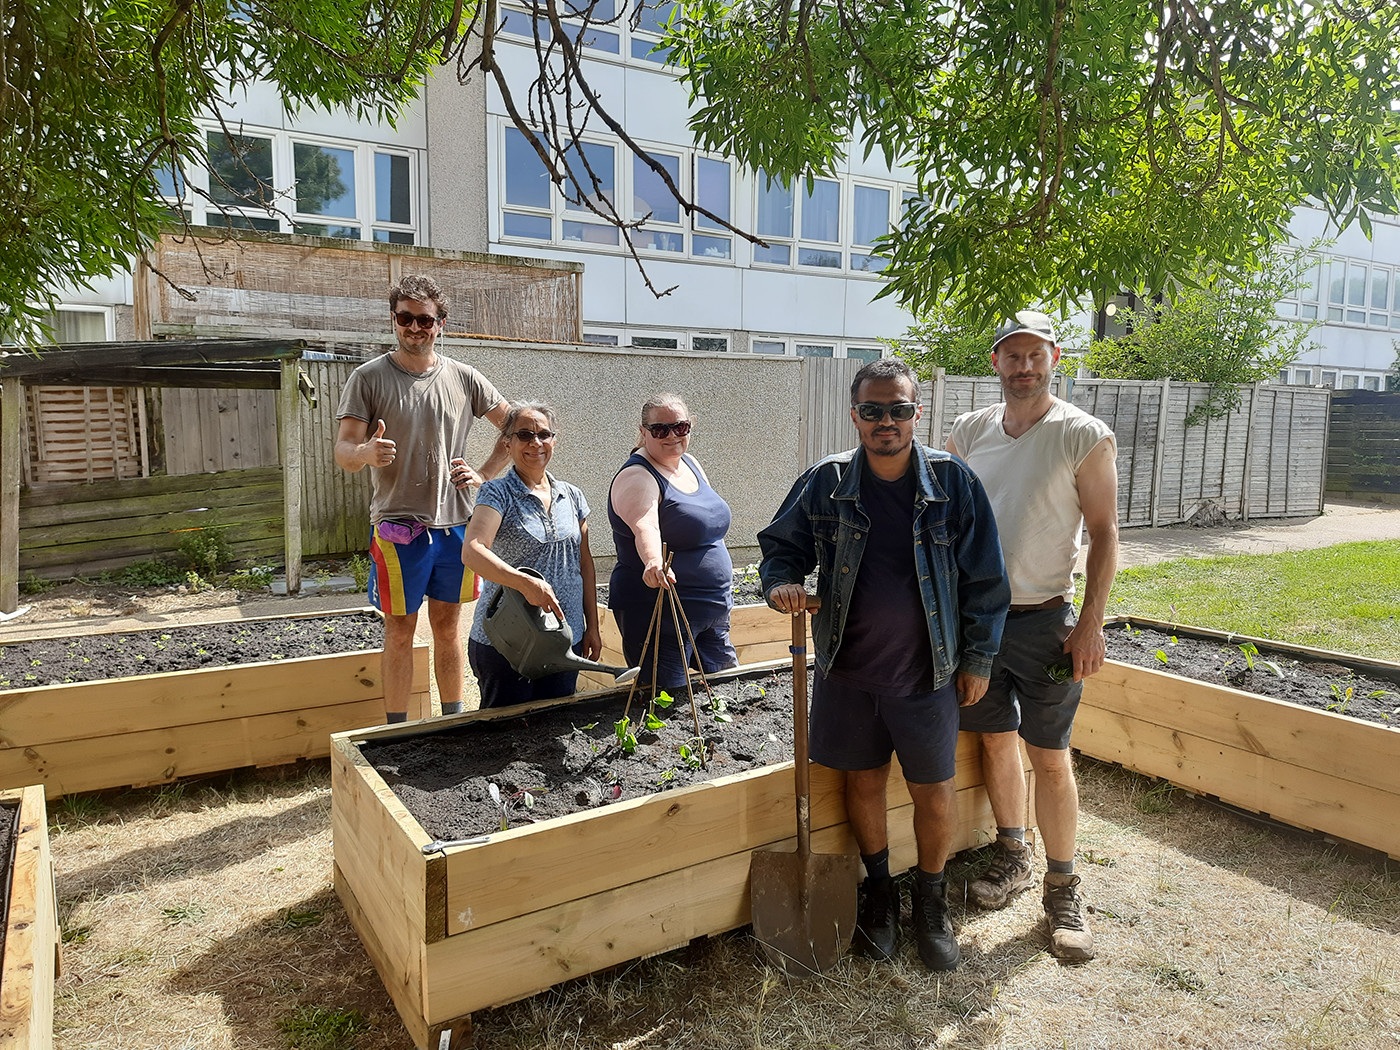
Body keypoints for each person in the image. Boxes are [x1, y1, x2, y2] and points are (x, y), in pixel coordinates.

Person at [759, 358, 1010, 971]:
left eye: (899, 409)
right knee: (863, 782)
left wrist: (977, 659)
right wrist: (782, 586)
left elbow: (986, 580)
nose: (886, 421)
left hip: (928, 675)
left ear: (917, 413)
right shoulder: (825, 482)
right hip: (846, 671)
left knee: (934, 790)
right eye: (873, 411)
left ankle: (929, 898)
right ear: (855, 416)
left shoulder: (954, 483)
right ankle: (879, 891)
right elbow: (779, 549)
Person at [947, 310, 1119, 962]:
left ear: (1053, 357)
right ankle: (1013, 853)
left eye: (1035, 356)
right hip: (977, 624)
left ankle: (1062, 887)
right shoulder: (969, 431)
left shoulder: (1081, 434)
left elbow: (1105, 533)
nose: (1024, 368)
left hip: (1047, 622)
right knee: (994, 740)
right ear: (996, 361)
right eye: (1012, 356)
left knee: (1049, 753)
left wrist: (1089, 624)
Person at [334, 274, 510, 722]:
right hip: (398, 527)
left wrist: (484, 474)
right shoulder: (368, 378)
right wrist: (365, 453)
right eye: (405, 318)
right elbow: (343, 451)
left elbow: (515, 428)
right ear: (393, 320)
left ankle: (450, 721)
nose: (415, 327)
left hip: (455, 528)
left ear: (441, 323)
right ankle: (398, 730)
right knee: (399, 630)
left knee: (449, 628)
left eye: (424, 320)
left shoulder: (464, 377)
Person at [462, 402, 602, 707]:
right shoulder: (496, 493)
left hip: (565, 638)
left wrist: (592, 626)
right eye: (524, 434)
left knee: (553, 732)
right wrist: (524, 584)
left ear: (554, 441)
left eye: (543, 434)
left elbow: (585, 565)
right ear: (507, 443)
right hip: (510, 640)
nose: (535, 443)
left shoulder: (572, 495)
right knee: (504, 735)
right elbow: (473, 551)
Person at [606, 394, 737, 688]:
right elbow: (646, 525)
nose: (672, 436)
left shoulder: (689, 464)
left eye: (680, 427)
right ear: (643, 432)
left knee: (727, 693)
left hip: (713, 611)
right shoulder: (637, 476)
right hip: (663, 616)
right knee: (665, 705)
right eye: (660, 429)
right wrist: (654, 561)